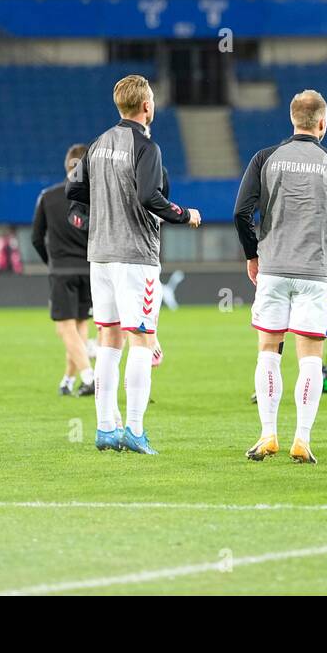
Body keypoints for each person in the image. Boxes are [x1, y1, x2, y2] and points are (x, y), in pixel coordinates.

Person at [66, 74, 202, 454]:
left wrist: (98, 217)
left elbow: (73, 191)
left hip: (101, 257)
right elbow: (149, 196)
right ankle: (136, 430)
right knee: (141, 340)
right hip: (136, 257)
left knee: (109, 340)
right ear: (147, 106)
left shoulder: (98, 144)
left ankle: (106, 428)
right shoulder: (145, 146)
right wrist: (183, 214)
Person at [234, 89, 327, 464]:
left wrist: (253, 254)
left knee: (268, 353)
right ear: (322, 123)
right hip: (313, 273)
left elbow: (241, 212)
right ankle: (302, 439)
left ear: (292, 120)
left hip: (272, 270)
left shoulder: (265, 158)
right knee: (310, 358)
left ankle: (267, 434)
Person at [32, 143, 94, 396]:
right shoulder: (94, 197)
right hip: (90, 271)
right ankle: (67, 381)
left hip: (61, 271)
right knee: (79, 326)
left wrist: (51, 262)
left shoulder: (48, 196)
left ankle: (89, 377)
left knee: (64, 327)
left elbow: (36, 238)